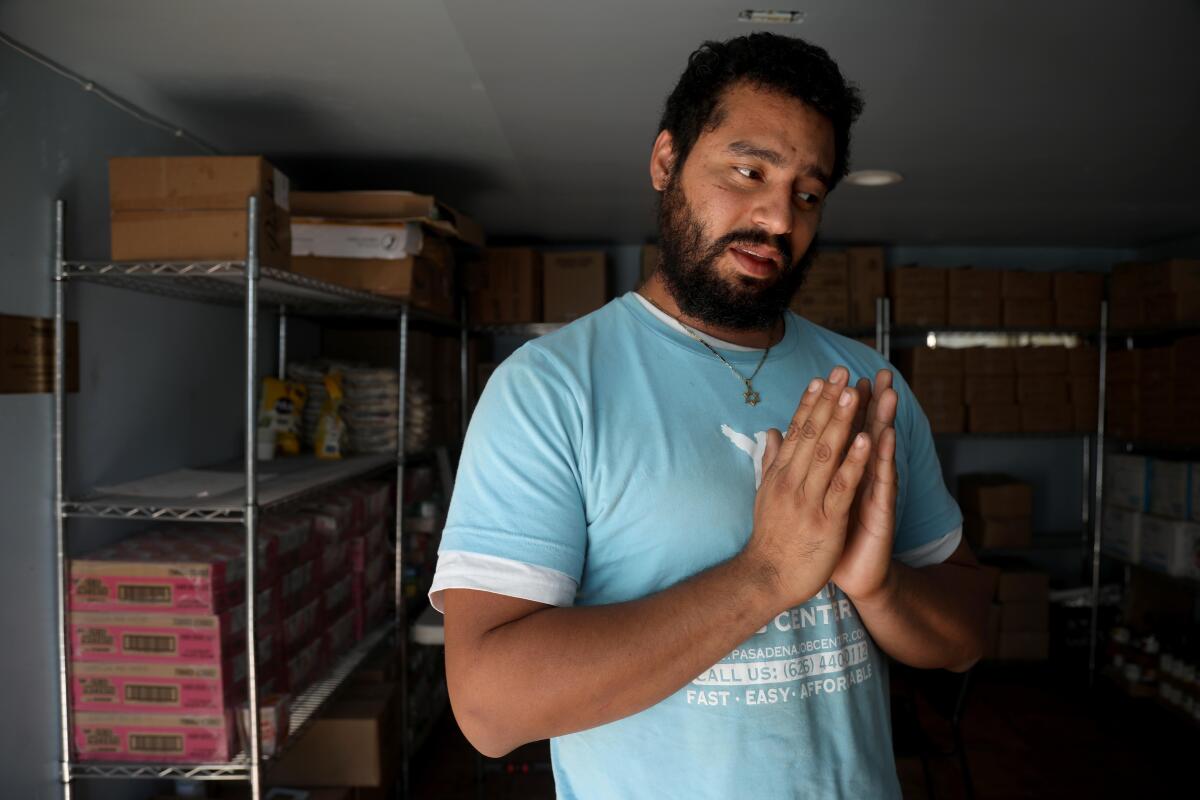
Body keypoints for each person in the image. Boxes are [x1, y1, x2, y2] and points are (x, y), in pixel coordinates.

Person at [430, 32, 992, 799]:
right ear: (667, 161)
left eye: (807, 193)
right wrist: (766, 574)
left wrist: (878, 585)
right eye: (748, 169)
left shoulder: (867, 383)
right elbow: (489, 709)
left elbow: (966, 636)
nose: (777, 218)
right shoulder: (549, 390)